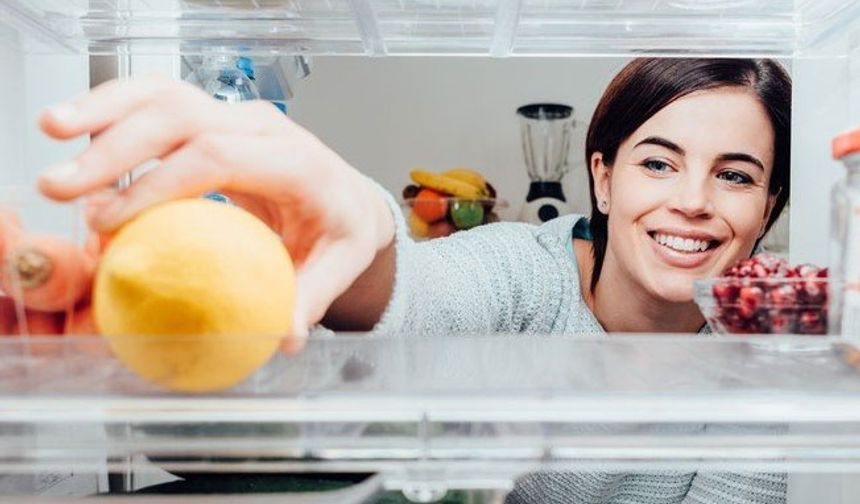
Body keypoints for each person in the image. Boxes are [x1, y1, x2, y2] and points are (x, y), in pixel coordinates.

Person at [5, 57, 791, 503]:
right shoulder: (527, 271)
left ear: (768, 208)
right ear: (604, 178)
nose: (691, 201)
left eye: (735, 175)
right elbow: (411, 297)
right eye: (658, 162)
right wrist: (365, 229)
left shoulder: (768, 362)